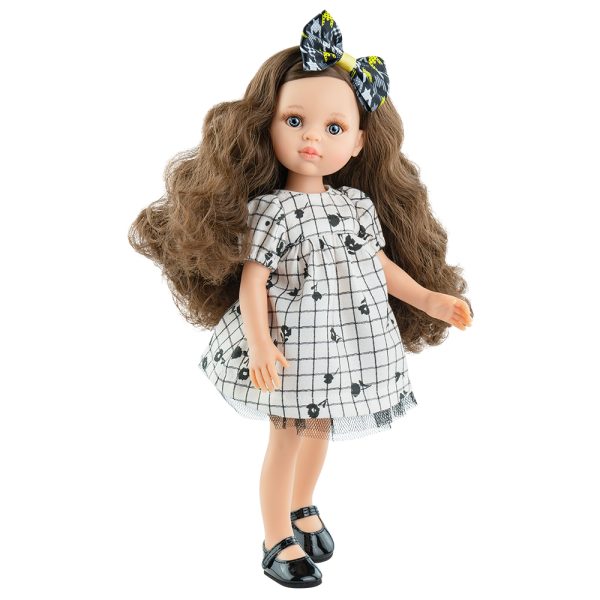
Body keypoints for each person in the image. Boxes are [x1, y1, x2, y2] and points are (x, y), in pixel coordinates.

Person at [128, 9, 474, 589]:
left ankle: (302, 504)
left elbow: (376, 264)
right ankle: (274, 538)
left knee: (319, 428)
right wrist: (261, 345)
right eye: (296, 121)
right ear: (268, 126)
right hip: (288, 343)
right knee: (287, 433)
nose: (312, 138)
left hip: (338, 344)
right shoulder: (271, 210)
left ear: (359, 142)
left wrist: (428, 298)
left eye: (334, 128)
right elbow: (253, 281)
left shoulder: (355, 207)